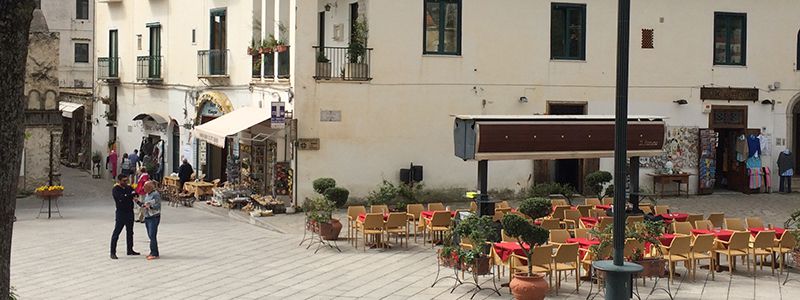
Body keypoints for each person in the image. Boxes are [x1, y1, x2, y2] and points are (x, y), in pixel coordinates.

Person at [110, 174, 140, 259]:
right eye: (124, 181)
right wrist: (129, 195)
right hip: (121, 213)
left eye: (126, 180)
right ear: (119, 181)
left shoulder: (128, 187)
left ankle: (130, 249)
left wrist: (131, 195)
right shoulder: (116, 189)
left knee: (130, 232)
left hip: (130, 212)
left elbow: (135, 194)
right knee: (117, 232)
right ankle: (113, 252)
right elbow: (121, 198)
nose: (126, 182)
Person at [141, 181, 161, 260]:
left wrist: (149, 207)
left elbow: (157, 206)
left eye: (145, 187)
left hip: (154, 217)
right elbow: (145, 204)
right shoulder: (147, 194)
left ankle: (154, 253)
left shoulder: (155, 195)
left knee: (152, 235)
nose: (143, 188)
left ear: (149, 187)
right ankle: (153, 251)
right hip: (147, 216)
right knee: (150, 235)